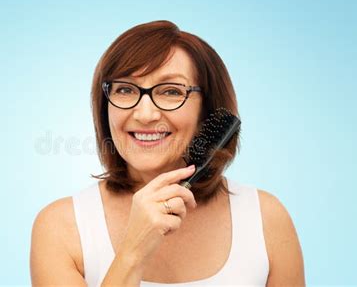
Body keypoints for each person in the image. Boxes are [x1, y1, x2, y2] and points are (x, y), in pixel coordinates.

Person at [30, 20, 305, 286]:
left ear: (207, 110)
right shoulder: (60, 227)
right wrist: (132, 252)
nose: (145, 114)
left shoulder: (266, 219)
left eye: (171, 91)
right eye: (125, 89)